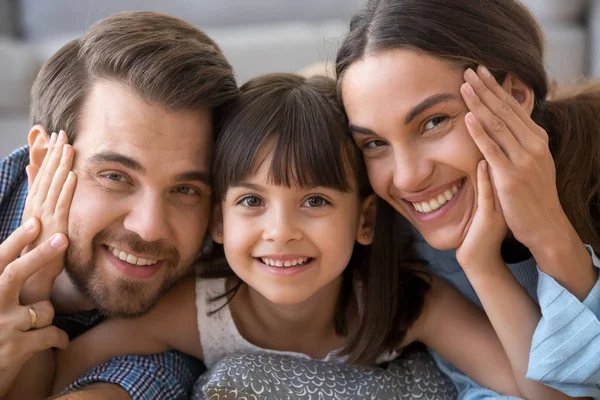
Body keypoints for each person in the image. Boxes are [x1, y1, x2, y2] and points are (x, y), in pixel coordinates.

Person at [36, 73, 571, 400]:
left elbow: (547, 393)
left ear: (364, 220)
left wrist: (481, 262)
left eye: (315, 201)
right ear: (217, 223)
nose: (281, 232)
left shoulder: (405, 303)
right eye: (251, 201)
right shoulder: (190, 312)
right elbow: (47, 381)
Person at [336, 0, 600, 399]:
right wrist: (482, 265)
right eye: (375, 142)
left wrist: (548, 233)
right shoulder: (396, 240)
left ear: (514, 94)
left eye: (434, 122)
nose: (408, 178)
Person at [0, 11, 237, 399]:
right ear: (44, 160)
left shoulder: (177, 340)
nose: (150, 228)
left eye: (185, 190)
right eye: (115, 176)